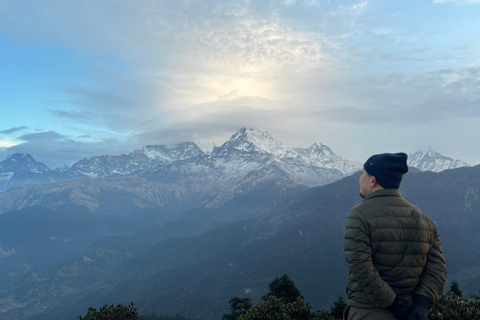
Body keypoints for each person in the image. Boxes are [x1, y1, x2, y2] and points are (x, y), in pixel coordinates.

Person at [343, 153, 447, 320]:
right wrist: (422, 304)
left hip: (369, 311)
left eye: (362, 173)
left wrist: (394, 304)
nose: (360, 178)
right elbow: (437, 269)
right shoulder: (424, 219)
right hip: (413, 314)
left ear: (372, 180)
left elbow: (361, 267)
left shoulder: (359, 215)